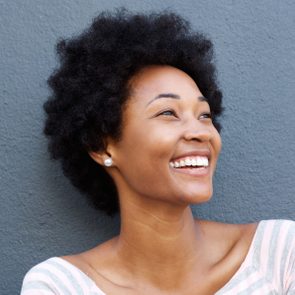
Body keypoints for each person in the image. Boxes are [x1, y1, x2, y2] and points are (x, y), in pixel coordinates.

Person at [21, 9, 294, 295]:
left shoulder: (278, 256)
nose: (201, 132)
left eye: (204, 115)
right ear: (101, 146)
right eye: (168, 113)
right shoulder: (60, 286)